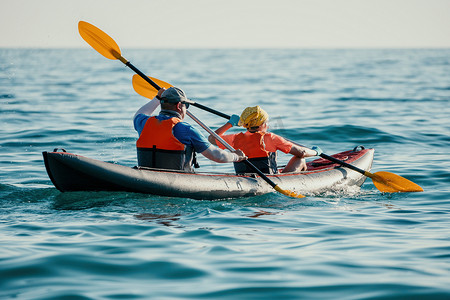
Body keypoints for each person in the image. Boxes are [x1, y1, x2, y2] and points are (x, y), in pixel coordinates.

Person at [133, 87, 247, 172]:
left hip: (146, 176)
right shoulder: (186, 129)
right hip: (176, 182)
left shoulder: (143, 122)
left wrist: (157, 98)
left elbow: (139, 113)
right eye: (186, 106)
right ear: (179, 106)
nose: (186, 110)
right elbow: (217, 156)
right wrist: (237, 156)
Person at [208, 106, 322, 174]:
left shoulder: (234, 138)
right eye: (266, 122)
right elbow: (301, 152)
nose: (267, 124)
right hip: (270, 179)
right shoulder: (271, 138)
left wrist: (230, 124)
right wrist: (316, 152)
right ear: (261, 124)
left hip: (244, 179)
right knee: (300, 159)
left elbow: (212, 138)